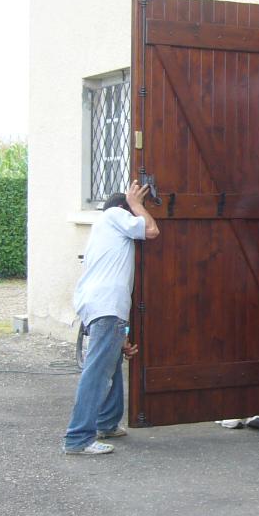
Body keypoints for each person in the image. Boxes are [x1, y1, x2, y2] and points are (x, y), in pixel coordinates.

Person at [62, 181, 159, 455]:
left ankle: (106, 422)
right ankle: (78, 438)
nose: (136, 215)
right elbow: (151, 230)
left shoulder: (104, 230)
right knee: (97, 372)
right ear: (123, 208)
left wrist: (122, 336)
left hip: (103, 306)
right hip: (106, 306)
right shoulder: (114, 215)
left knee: (112, 364)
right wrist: (137, 204)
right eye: (133, 211)